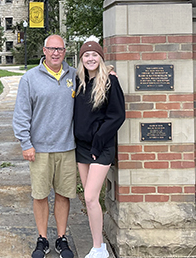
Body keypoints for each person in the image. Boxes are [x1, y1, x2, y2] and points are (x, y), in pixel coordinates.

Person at [13, 34, 77, 258]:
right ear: (44, 50)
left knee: (63, 194)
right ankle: (42, 239)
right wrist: (26, 143)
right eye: (52, 49)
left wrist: (111, 74)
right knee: (40, 195)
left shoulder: (74, 76)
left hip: (67, 147)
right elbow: (21, 114)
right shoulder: (30, 78)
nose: (56, 52)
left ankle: (61, 238)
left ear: (64, 51)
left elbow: (96, 79)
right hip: (39, 149)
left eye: (60, 49)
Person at [73, 39, 125, 258]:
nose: (91, 59)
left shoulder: (110, 82)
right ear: (81, 59)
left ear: (101, 58)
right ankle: (99, 245)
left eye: (95, 55)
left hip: (101, 147)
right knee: (89, 198)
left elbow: (117, 116)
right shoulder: (79, 81)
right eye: (86, 55)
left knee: (91, 197)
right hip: (82, 147)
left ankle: (98, 248)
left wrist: (98, 142)